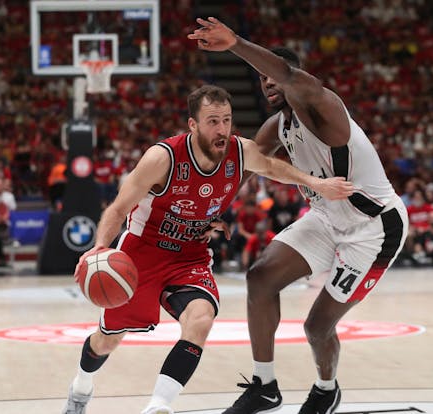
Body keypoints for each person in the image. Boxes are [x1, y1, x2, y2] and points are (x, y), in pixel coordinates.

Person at [62, 85, 354, 414]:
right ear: (193, 125)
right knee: (107, 341)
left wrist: (317, 184)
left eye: (226, 120)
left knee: (200, 320)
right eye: (212, 121)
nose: (221, 129)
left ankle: (159, 406)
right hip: (142, 255)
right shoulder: (163, 158)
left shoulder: (240, 151)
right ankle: (80, 387)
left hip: (190, 257)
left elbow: (272, 167)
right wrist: (101, 246)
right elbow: (117, 209)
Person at [189, 19, 409, 414]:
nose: (267, 84)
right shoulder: (278, 125)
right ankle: (264, 385)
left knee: (316, 327)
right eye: (261, 81)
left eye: (270, 76)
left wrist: (236, 43)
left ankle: (327, 389)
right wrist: (209, 215)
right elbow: (242, 168)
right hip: (326, 217)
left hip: (374, 229)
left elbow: (288, 74)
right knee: (259, 277)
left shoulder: (323, 103)